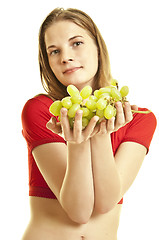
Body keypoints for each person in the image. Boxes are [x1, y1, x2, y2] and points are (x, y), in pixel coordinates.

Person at [21, 7, 157, 240]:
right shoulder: (41, 111)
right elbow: (79, 211)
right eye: (54, 51)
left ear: (98, 48)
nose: (65, 57)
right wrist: (78, 141)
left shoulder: (141, 119)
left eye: (76, 43)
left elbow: (105, 203)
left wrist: (101, 134)